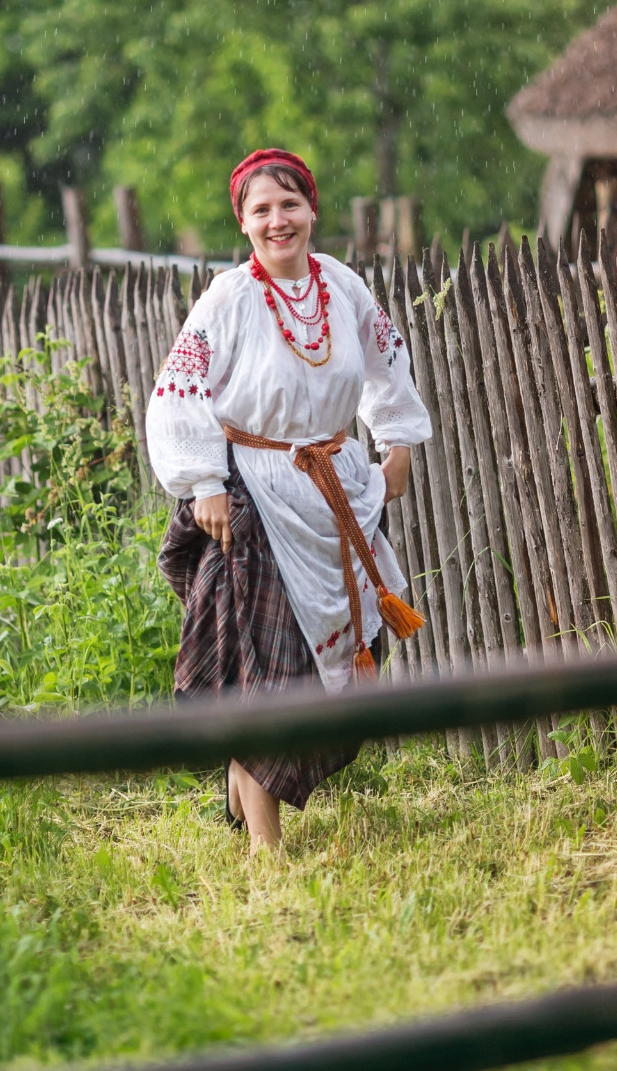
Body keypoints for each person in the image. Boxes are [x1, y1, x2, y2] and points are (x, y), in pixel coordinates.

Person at [147, 149, 433, 851]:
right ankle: (265, 849)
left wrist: (395, 442)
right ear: (242, 223)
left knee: (317, 666)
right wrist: (204, 482)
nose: (279, 221)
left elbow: (385, 361)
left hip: (333, 491)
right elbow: (179, 394)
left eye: (290, 205)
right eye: (261, 210)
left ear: (312, 210)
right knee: (262, 670)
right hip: (252, 496)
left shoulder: (343, 286)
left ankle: (249, 791)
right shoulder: (229, 299)